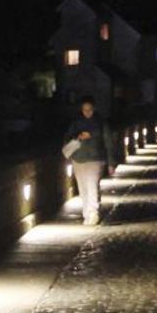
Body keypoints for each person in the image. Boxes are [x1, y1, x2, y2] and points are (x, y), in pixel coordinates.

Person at [63, 96, 112, 226]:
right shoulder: (76, 122)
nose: (87, 112)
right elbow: (67, 138)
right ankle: (87, 214)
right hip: (79, 159)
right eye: (85, 110)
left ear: (94, 109)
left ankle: (94, 212)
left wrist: (111, 162)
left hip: (95, 158)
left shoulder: (100, 122)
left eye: (89, 109)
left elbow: (108, 142)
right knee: (83, 187)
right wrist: (78, 137)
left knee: (92, 185)